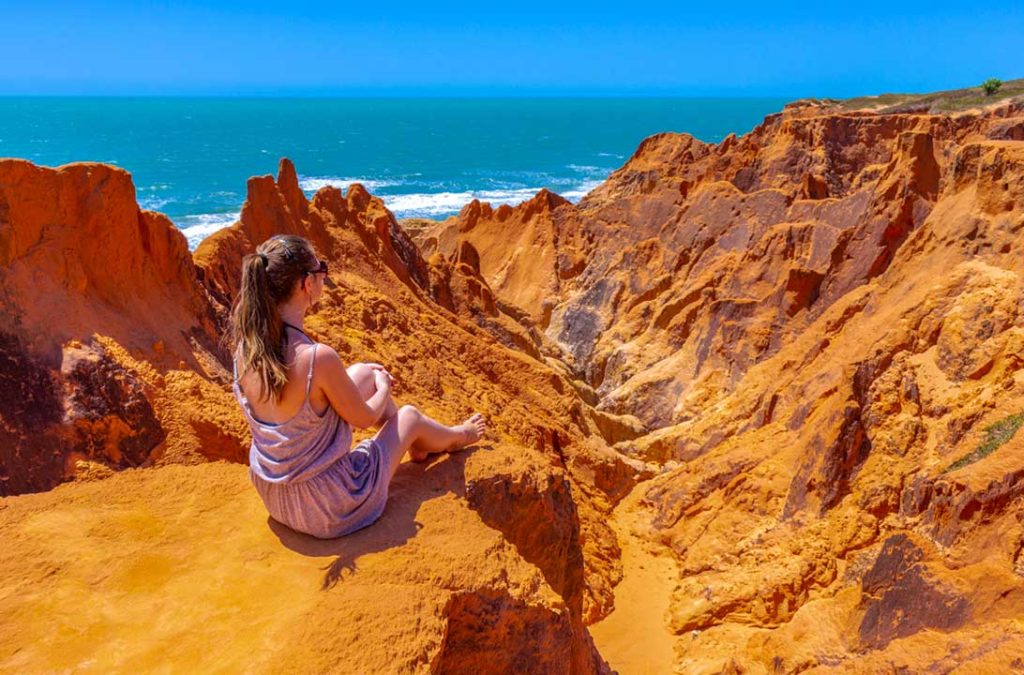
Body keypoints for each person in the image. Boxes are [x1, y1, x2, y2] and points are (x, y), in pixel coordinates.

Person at [230, 234, 486, 538]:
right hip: (329, 505)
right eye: (321, 269)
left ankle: (415, 443)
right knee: (409, 416)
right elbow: (364, 419)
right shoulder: (316, 358)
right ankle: (456, 437)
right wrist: (384, 387)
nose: (325, 276)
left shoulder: (248, 350)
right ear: (306, 284)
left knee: (361, 372)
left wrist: (369, 377)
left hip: (276, 497)